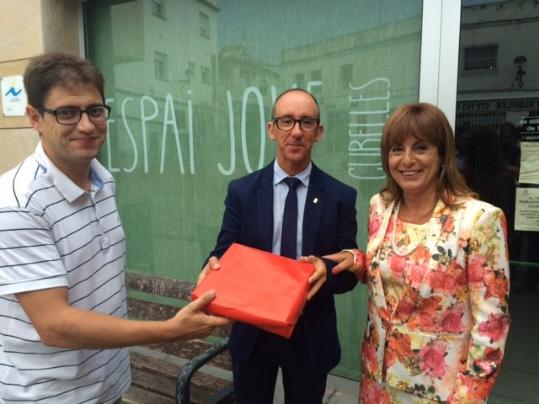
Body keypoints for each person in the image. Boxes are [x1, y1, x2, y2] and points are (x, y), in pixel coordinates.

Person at [0, 52, 229, 403]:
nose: (87, 125)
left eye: (94, 110)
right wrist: (168, 331)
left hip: (108, 386)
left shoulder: (103, 181)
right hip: (51, 396)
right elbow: (53, 324)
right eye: (67, 112)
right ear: (35, 118)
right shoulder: (17, 203)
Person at [327, 103, 510, 403]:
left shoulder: (479, 220)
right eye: (397, 149)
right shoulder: (381, 206)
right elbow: (391, 267)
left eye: (421, 147)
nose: (407, 160)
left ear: (442, 156)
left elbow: (492, 326)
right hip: (376, 379)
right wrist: (357, 260)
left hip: (438, 390)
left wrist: (468, 398)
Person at [200, 88, 358, 403]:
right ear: (272, 129)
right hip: (253, 333)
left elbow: (349, 272)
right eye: (286, 121)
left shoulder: (341, 196)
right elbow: (224, 251)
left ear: (319, 132)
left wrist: (324, 270)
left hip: (309, 334)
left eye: (306, 122)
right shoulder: (242, 192)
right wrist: (214, 265)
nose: (296, 131)